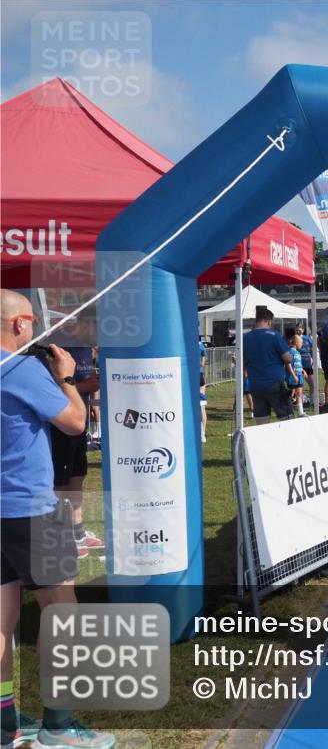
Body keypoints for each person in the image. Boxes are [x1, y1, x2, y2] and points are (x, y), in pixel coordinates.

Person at [1, 289, 115, 749]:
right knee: (62, 615)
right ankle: (58, 724)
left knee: (1, 620)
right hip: (30, 508)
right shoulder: (22, 369)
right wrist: (66, 378)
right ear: (19, 325)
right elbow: (74, 421)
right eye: (32, 321)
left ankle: (4, 724)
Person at [50, 343, 103, 559]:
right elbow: (53, 385)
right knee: (60, 481)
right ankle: (60, 536)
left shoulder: (85, 346)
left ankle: (77, 531)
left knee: (77, 475)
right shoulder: (56, 348)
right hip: (61, 421)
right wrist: (85, 385)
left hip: (79, 422)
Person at [243, 307, 294, 424]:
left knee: (262, 422)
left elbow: (242, 361)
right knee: (287, 419)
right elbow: (288, 358)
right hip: (274, 383)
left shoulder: (246, 338)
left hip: (255, 384)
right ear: (269, 321)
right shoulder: (274, 335)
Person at [293, 324, 314, 407]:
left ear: (303, 330)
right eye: (297, 330)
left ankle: (312, 401)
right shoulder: (294, 339)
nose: (298, 331)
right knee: (300, 385)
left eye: (300, 329)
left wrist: (313, 359)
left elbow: (312, 349)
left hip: (308, 365)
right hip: (299, 366)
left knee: (312, 384)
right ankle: (300, 403)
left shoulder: (307, 338)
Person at [288, 335, 305, 417]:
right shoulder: (290, 352)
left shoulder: (298, 352)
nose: (302, 345)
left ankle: (300, 412)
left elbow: (298, 363)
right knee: (290, 394)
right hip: (292, 376)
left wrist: (302, 370)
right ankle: (289, 412)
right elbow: (288, 365)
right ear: (296, 343)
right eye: (301, 343)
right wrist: (293, 375)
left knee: (299, 393)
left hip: (299, 375)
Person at [199, 338, 208, 442]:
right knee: (201, 406)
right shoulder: (201, 345)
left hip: (191, 375)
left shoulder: (187, 343)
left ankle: (201, 434)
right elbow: (202, 363)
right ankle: (203, 434)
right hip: (200, 375)